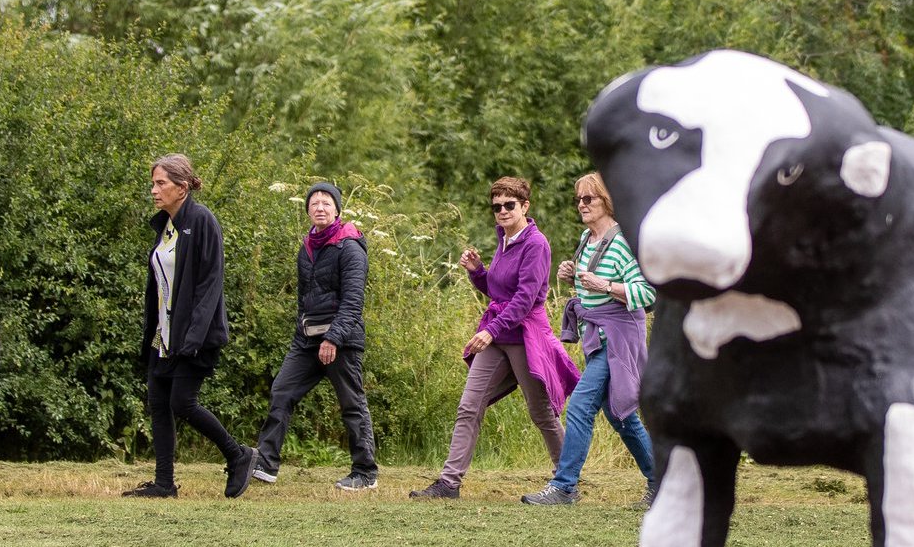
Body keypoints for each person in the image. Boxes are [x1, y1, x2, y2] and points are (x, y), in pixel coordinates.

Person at [410, 177, 579, 499]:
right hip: (499, 336)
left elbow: (525, 298)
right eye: (496, 206)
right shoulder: (504, 238)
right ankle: (449, 483)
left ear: (524, 206)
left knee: (541, 413)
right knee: (469, 407)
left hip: (526, 337)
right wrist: (477, 271)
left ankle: (566, 482)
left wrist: (490, 330)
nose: (501, 211)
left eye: (509, 205)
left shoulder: (536, 244)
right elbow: (499, 290)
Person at [520, 172, 658, 508]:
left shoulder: (624, 242)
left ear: (606, 202)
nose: (581, 204)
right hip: (598, 336)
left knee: (580, 405)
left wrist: (606, 286)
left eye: (588, 199)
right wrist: (572, 276)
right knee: (621, 417)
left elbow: (648, 293)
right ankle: (663, 482)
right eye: (578, 199)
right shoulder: (587, 238)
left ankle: (565, 486)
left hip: (618, 339)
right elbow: (592, 285)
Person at [122, 154, 254, 499]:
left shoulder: (202, 220)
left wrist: (193, 336)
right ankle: (164, 484)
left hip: (193, 337)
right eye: (153, 183)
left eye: (160, 183)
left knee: (183, 403)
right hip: (163, 337)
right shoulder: (167, 226)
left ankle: (239, 455)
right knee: (158, 403)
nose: (154, 190)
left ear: (182, 187)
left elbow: (210, 284)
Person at [249, 182, 379, 490]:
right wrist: (302, 334)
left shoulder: (349, 246)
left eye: (326, 203)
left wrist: (333, 339)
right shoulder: (307, 247)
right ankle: (265, 464)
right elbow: (304, 299)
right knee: (282, 390)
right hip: (306, 339)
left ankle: (365, 473)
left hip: (342, 341)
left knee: (352, 404)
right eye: (314, 203)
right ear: (308, 210)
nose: (319, 207)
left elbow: (352, 301)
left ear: (337, 210)